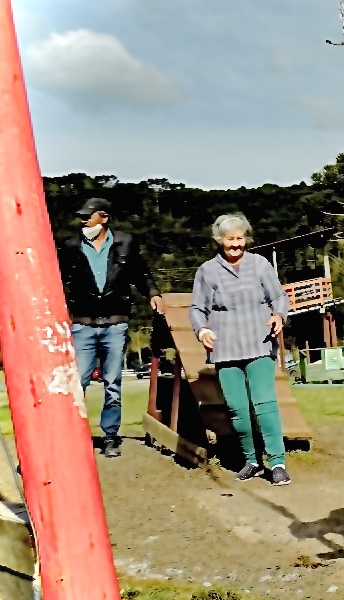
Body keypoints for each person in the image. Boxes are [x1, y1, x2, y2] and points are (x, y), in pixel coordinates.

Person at [190, 213, 292, 486]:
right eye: (230, 239)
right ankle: (251, 461)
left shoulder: (259, 265)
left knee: (265, 404)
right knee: (237, 409)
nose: (236, 244)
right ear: (219, 240)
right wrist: (202, 330)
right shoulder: (207, 271)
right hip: (226, 349)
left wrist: (279, 316)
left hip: (258, 343)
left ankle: (278, 462)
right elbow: (198, 308)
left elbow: (279, 297)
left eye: (240, 238)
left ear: (246, 238)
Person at [58, 197, 164, 458]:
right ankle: (72, 436)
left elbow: (141, 272)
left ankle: (110, 437)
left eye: (89, 216)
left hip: (115, 323)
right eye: (82, 216)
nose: (84, 220)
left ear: (103, 218)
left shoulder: (125, 242)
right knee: (78, 382)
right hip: (83, 324)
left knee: (113, 382)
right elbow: (58, 277)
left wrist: (152, 292)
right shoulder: (70, 246)